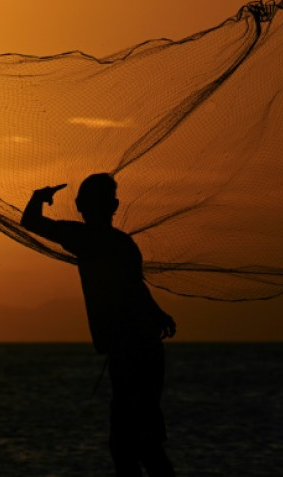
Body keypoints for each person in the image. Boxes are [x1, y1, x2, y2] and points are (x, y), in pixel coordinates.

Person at [21, 173, 177, 477]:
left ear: (80, 205)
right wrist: (159, 315)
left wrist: (39, 197)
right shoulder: (122, 244)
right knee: (136, 441)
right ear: (115, 205)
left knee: (132, 443)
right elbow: (137, 287)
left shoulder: (84, 238)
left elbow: (31, 222)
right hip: (140, 349)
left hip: (132, 351)